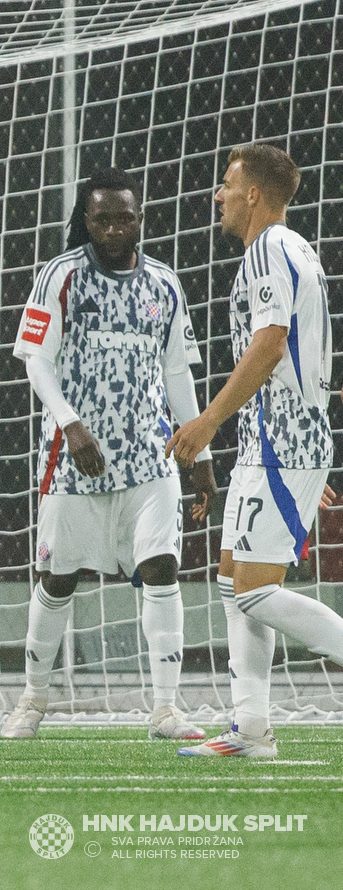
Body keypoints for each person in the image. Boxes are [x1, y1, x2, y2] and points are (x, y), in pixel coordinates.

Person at [0, 168, 216, 742]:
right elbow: (36, 360)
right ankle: (33, 698)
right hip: (77, 458)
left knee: (162, 566)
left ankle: (167, 709)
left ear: (140, 218)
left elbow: (176, 372)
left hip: (150, 456)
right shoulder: (61, 276)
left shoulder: (165, 284)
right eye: (103, 218)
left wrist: (201, 455)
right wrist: (70, 425)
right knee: (58, 578)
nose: (115, 228)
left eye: (125, 217)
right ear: (86, 221)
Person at [168, 143, 340, 759]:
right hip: (275, 441)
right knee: (230, 580)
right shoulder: (291, 252)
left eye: (226, 185)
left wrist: (209, 420)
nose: (217, 196)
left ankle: (254, 728)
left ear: (254, 195)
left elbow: (271, 342)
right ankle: (252, 730)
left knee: (254, 589)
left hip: (281, 441)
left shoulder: (271, 247)